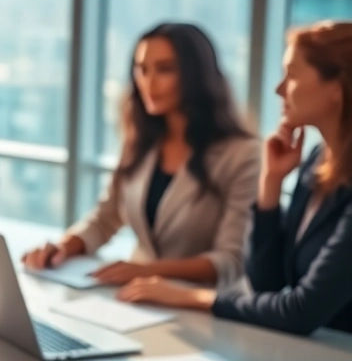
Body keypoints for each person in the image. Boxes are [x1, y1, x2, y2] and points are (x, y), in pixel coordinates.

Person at [120, 21, 352, 335]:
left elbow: (301, 310)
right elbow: (267, 284)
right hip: (314, 354)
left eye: (292, 75)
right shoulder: (317, 162)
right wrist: (271, 185)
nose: (279, 89)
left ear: (337, 88)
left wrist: (195, 297)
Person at [24, 23, 258, 286]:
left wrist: (146, 271)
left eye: (165, 69)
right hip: (139, 299)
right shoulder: (140, 141)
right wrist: (63, 247)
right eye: (141, 69)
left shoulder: (243, 155)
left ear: (196, 76)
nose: (148, 82)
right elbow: (105, 219)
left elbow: (230, 260)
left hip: (204, 308)